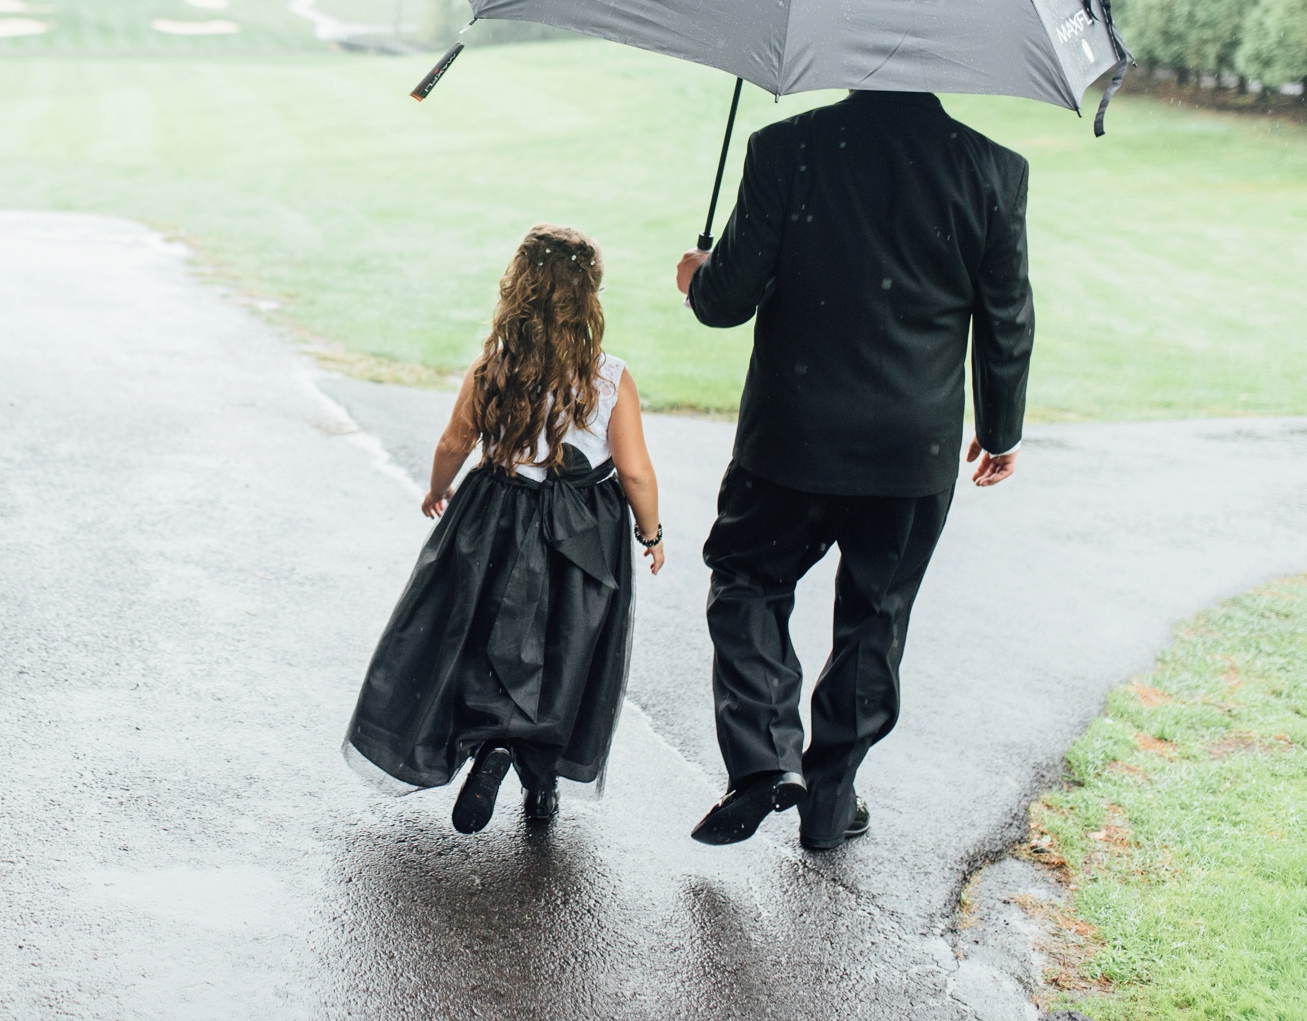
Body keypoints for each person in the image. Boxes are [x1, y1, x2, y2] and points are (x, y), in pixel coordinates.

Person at [677, 89, 1032, 851]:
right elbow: (1006, 314)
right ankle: (830, 804)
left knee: (746, 580)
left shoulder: (785, 148)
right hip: (912, 451)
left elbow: (726, 300)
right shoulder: (994, 171)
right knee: (875, 617)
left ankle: (766, 760)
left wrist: (699, 275)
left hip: (789, 439)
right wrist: (1000, 426)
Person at [344, 225, 665, 833]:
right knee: (566, 646)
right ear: (589, 295)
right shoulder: (608, 377)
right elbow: (636, 471)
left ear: (519, 288)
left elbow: (453, 442)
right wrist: (650, 534)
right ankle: (541, 779)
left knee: (478, 631)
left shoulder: (494, 365)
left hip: (494, 516)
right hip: (581, 533)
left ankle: (489, 742)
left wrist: (438, 490)